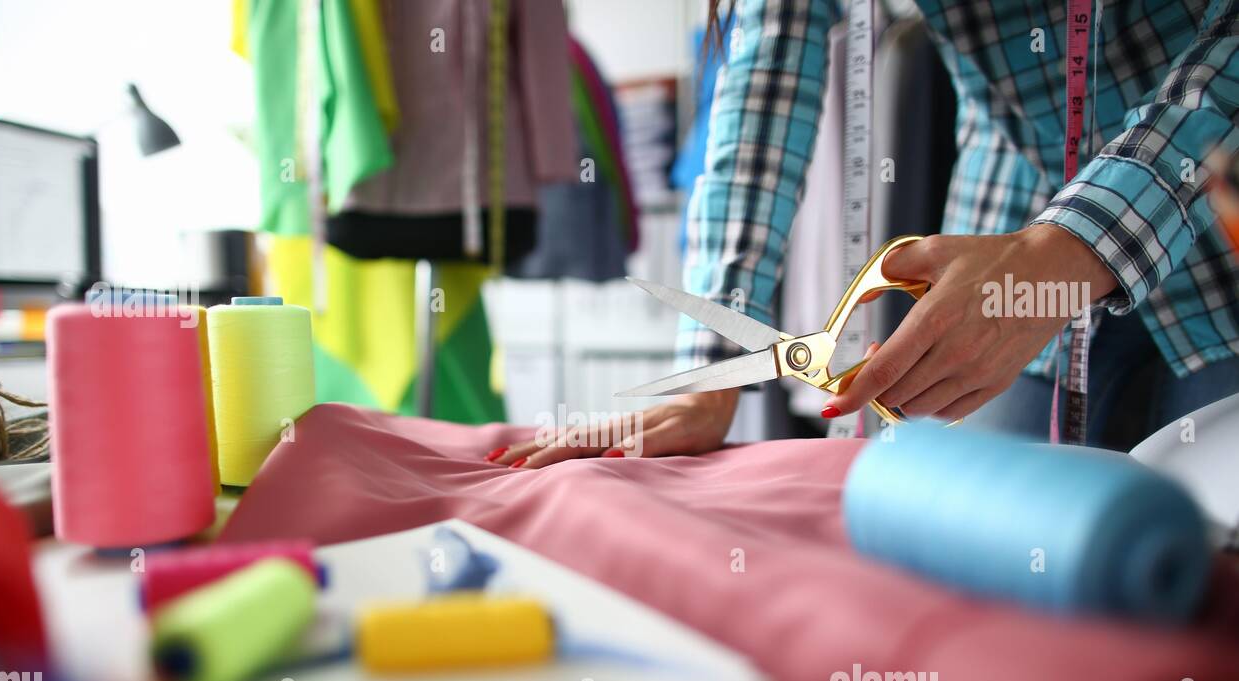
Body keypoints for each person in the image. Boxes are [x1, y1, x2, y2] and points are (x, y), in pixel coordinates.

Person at [489, 0, 1239, 469]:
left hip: (1221, 208)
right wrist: (710, 373)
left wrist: (1069, 250)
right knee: (964, 535)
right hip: (1013, 191)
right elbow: (765, 80)